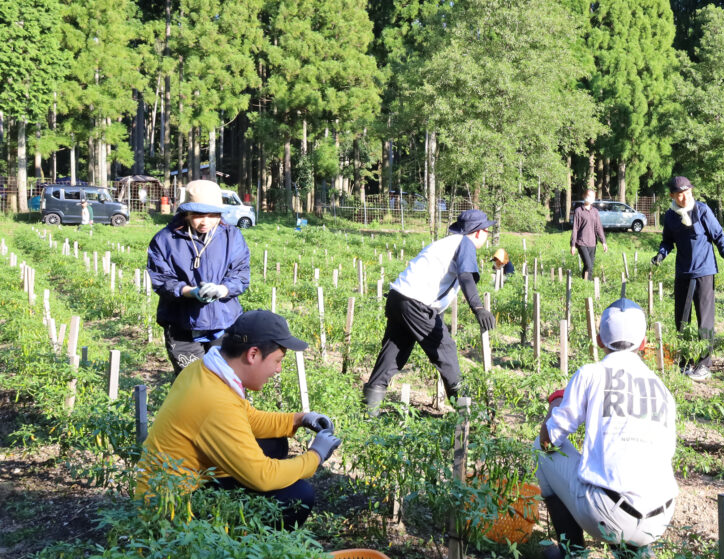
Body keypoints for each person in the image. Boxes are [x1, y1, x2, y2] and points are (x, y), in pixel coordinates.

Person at [137, 310, 340, 529]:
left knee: (274, 443)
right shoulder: (215, 400)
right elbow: (262, 476)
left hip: (170, 487)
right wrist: (315, 456)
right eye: (278, 361)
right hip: (168, 511)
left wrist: (300, 419)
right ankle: (248, 552)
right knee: (297, 496)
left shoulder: (206, 369)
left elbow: (248, 418)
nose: (278, 370)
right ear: (252, 354)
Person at [536, 298, 677, 559]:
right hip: (660, 519)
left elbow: (549, 439)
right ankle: (636, 553)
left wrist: (556, 402)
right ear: (643, 343)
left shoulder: (591, 373)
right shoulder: (662, 389)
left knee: (544, 454)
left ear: (599, 340)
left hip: (605, 513)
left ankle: (573, 556)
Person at [362, 209, 497, 414]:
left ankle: (368, 412)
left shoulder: (445, 243)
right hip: (416, 303)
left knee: (394, 352)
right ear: (478, 232)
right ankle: (466, 412)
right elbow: (466, 277)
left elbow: (434, 283)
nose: (486, 236)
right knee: (446, 350)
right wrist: (478, 308)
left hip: (398, 297)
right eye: (487, 231)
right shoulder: (465, 243)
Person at [147, 180, 251, 375]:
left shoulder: (232, 236)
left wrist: (222, 289)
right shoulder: (165, 239)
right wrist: (191, 292)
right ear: (185, 212)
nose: (205, 221)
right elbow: (161, 279)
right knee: (191, 383)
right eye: (198, 215)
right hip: (182, 325)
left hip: (224, 322)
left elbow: (241, 274)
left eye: (212, 215)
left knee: (225, 383)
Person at [651, 176, 724, 381]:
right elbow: (667, 241)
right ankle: (684, 361)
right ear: (672, 195)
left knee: (704, 320)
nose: (684, 197)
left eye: (687, 192)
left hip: (704, 272)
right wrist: (661, 254)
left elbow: (719, 236)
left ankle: (704, 364)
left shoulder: (702, 210)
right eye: (680, 193)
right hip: (683, 272)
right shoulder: (671, 216)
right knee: (682, 320)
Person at [570, 189, 608, 280]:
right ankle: (587, 283)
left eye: (593, 196)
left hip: (592, 243)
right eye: (590, 196)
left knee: (590, 267)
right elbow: (575, 228)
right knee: (588, 265)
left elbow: (598, 227)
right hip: (582, 242)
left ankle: (587, 285)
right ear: (585, 196)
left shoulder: (595, 211)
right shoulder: (579, 211)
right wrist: (573, 245)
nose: (591, 198)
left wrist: (603, 242)